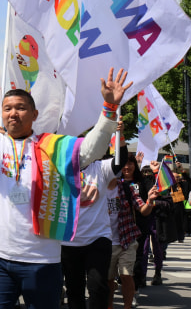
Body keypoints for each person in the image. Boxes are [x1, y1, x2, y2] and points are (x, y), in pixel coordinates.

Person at [0, 58, 132, 309]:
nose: (13, 113)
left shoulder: (54, 146)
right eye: (7, 108)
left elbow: (92, 149)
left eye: (20, 108)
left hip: (42, 258)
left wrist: (110, 108)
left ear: (34, 114)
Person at [61, 122, 128, 309]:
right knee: (74, 289)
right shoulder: (60, 171)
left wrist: (120, 135)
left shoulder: (100, 168)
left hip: (98, 239)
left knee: (98, 287)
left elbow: (120, 160)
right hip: (68, 241)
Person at [106, 170, 158, 309]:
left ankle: (127, 307)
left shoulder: (126, 188)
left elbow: (143, 209)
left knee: (126, 276)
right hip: (105, 241)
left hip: (126, 239)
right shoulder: (96, 188)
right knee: (108, 279)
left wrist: (150, 200)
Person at [130, 160, 173, 287]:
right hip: (142, 221)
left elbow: (168, 203)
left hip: (157, 221)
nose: (147, 175)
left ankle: (157, 273)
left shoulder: (161, 188)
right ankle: (141, 275)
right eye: (144, 172)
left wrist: (153, 203)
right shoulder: (138, 185)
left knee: (157, 249)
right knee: (142, 250)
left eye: (149, 173)